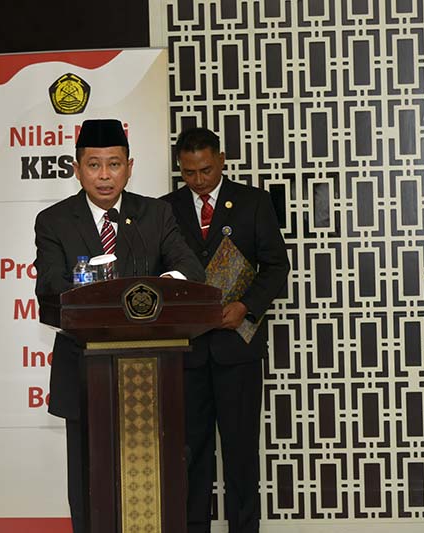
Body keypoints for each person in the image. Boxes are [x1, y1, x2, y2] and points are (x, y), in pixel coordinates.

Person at [34, 119, 204, 532]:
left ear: (130, 167)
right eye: (94, 165)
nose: (105, 175)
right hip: (84, 369)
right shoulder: (54, 220)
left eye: (114, 164)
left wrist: (163, 289)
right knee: (88, 482)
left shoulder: (155, 214)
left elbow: (190, 268)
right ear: (77, 169)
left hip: (154, 370)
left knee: (156, 476)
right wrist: (99, 289)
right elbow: (51, 286)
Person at [161, 127, 290, 533]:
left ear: (221, 160)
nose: (198, 180)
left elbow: (276, 266)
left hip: (238, 348)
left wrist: (246, 307)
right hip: (187, 352)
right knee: (191, 453)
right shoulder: (165, 209)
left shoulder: (253, 202)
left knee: (240, 452)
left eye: (206, 170)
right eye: (189, 172)